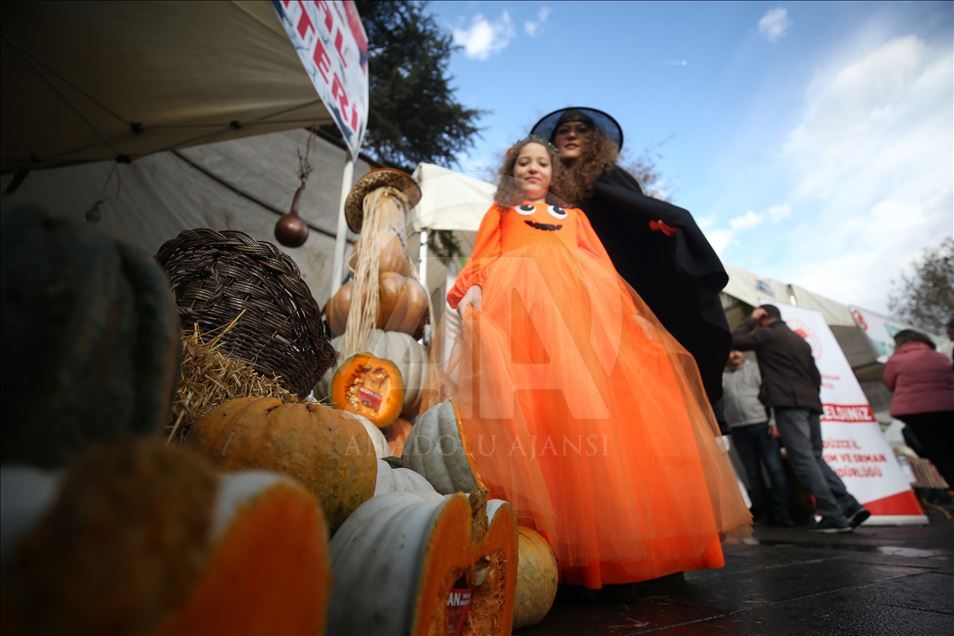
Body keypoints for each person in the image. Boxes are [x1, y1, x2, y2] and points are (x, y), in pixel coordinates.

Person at [436, 136, 750, 590]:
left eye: (541, 163)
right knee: (536, 411)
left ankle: (609, 542)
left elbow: (600, 267)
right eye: (523, 163)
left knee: (593, 412)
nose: (532, 169)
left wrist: (628, 317)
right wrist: (474, 290)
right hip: (520, 315)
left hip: (576, 313)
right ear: (511, 172)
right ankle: (539, 546)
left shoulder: (575, 217)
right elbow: (484, 256)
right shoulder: (501, 214)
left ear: (552, 172)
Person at [531, 107, 730, 406]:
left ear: (595, 140)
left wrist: (655, 227)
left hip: (617, 297)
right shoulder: (539, 187)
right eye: (564, 130)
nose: (572, 134)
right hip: (559, 291)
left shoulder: (609, 175)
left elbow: (639, 216)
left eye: (581, 129)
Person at [732, 304, 870, 533]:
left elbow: (736, 339)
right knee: (815, 458)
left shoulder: (767, 334)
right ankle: (849, 505)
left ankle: (833, 514)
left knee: (804, 460)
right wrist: (810, 398)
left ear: (764, 316)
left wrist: (751, 320)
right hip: (810, 403)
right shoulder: (800, 341)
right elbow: (814, 376)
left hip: (789, 404)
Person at [722, 350, 795, 527]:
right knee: (752, 472)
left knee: (774, 468)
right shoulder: (722, 375)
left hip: (762, 424)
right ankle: (761, 512)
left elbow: (770, 395)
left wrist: (773, 421)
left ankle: (783, 512)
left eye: (737, 350)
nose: (734, 355)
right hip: (738, 428)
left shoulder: (756, 369)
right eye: (730, 351)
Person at [883, 329, 954, 485]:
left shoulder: (895, 360)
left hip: (917, 413)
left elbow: (889, 383)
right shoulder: (941, 358)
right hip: (947, 408)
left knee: (939, 455)